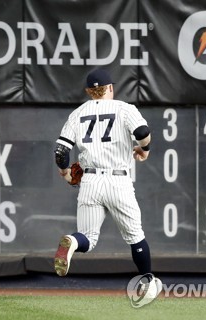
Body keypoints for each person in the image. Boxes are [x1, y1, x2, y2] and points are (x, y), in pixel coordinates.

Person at [53, 68, 161, 298]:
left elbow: (61, 151)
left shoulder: (78, 113)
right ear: (110, 88)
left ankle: (72, 241)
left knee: (87, 238)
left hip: (90, 181)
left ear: (88, 91)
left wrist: (65, 172)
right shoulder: (123, 108)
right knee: (135, 236)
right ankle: (147, 282)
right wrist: (145, 149)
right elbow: (142, 131)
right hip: (118, 180)